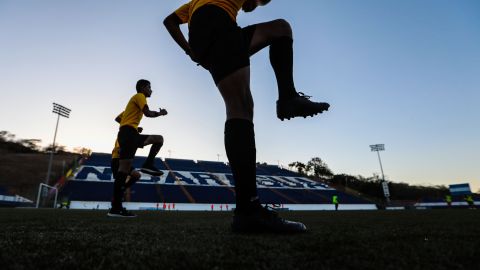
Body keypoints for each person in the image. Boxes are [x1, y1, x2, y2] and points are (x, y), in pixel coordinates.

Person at [164, 0, 329, 233]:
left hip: (211, 32)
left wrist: (190, 50)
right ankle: (248, 211)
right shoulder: (216, 6)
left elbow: (169, 21)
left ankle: (288, 98)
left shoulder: (195, 3)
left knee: (280, 30)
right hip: (217, 24)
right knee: (240, 105)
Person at [108, 79, 168, 217]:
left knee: (159, 139)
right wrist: (161, 113)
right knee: (123, 170)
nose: (151, 90)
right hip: (128, 134)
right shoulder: (140, 96)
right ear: (142, 87)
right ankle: (116, 208)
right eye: (149, 87)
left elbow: (118, 118)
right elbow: (148, 113)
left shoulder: (133, 104)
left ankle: (148, 164)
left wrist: (133, 125)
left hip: (131, 133)